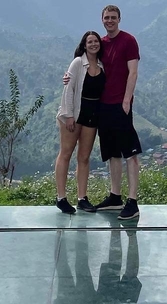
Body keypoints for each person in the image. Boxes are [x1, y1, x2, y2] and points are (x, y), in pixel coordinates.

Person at [65, 5, 142, 220]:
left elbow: (133, 72)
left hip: (121, 105)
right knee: (112, 154)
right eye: (106, 18)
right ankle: (115, 196)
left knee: (130, 154)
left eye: (113, 17)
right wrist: (68, 77)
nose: (110, 21)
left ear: (119, 19)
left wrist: (127, 100)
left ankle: (133, 202)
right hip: (103, 107)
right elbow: (85, 64)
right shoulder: (102, 44)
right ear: (102, 20)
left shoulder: (128, 41)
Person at [55, 30, 105, 215]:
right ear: (84, 45)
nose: (93, 44)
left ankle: (82, 198)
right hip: (74, 116)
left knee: (84, 157)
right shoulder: (77, 63)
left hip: (92, 117)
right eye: (89, 41)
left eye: (96, 41)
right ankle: (61, 198)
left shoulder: (102, 65)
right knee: (66, 154)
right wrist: (68, 116)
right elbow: (69, 89)